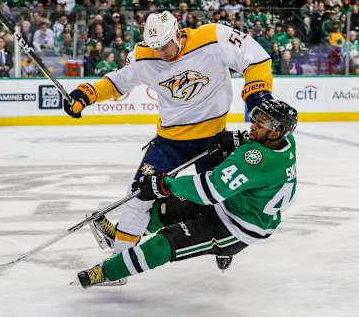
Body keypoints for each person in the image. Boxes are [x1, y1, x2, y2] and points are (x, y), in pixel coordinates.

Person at [63, 10, 274, 256]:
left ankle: (226, 247)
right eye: (156, 48)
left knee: (222, 201)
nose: (161, 53)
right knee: (138, 195)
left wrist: (258, 94)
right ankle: (118, 260)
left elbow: (255, 57)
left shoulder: (212, 37)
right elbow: (118, 82)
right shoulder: (143, 56)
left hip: (214, 139)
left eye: (165, 45)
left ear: (176, 33)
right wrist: (86, 93)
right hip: (171, 142)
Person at [73, 99, 298, 288]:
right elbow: (254, 150)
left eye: (261, 124)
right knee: (164, 208)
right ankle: (122, 236)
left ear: (277, 130)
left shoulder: (255, 158)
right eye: (255, 120)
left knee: (163, 244)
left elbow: (209, 191)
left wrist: (164, 184)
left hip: (237, 227)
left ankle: (109, 272)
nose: (253, 125)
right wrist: (237, 138)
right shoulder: (286, 142)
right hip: (232, 205)